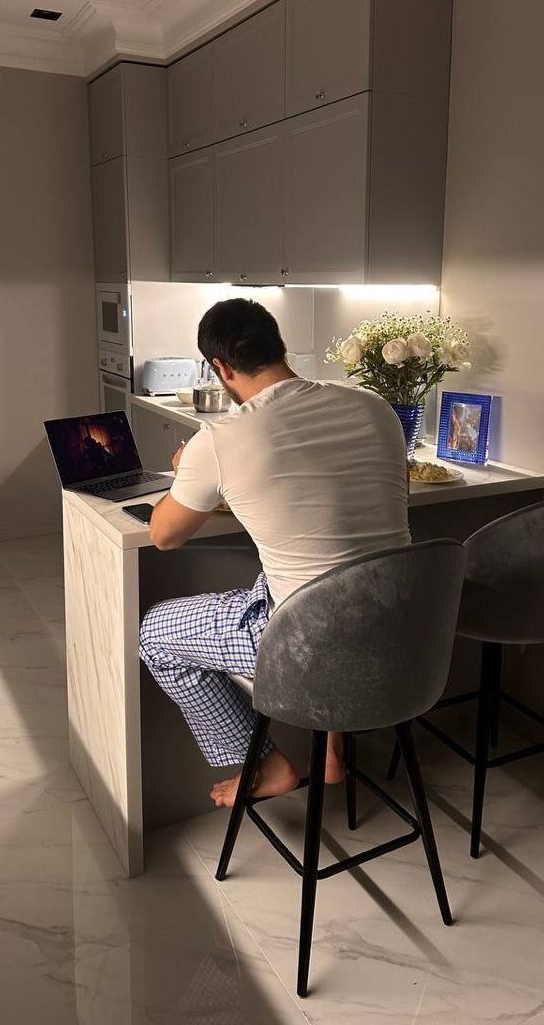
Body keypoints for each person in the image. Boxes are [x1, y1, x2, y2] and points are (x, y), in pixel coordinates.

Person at [139, 298, 411, 809]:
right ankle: (330, 750)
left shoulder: (220, 438)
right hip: (407, 632)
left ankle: (265, 761)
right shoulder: (375, 407)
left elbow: (164, 536)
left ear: (219, 368)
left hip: (313, 650)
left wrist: (186, 475)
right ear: (278, 345)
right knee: (321, 577)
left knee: (155, 633)